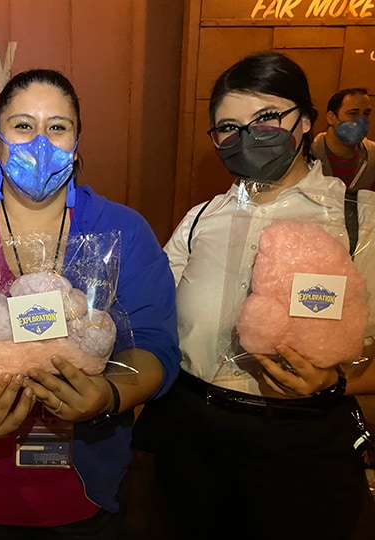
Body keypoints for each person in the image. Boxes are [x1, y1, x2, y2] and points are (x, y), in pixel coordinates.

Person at [0, 68, 180, 539]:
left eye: (57, 127)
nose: (39, 141)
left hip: (86, 488)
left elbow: (154, 344)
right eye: (23, 126)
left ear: (76, 141)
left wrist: (107, 395)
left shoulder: (123, 231)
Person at [133, 52, 375, 540]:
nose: (248, 136)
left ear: (305, 121)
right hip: (188, 435)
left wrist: (334, 381)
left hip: (300, 441)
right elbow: (148, 316)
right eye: (228, 126)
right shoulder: (201, 219)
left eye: (266, 118)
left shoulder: (360, 221)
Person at [311, 87, 375, 191]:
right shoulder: (307, 154)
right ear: (331, 118)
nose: (361, 120)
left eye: (366, 114)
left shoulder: (372, 157)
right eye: (353, 113)